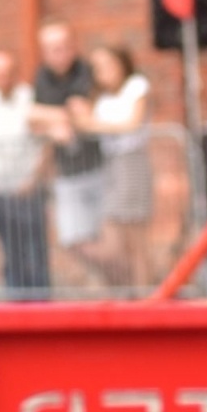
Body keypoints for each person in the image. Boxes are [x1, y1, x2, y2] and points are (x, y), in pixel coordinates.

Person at [71, 45, 152, 289]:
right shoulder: (102, 98)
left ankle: (145, 294)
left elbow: (132, 124)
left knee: (135, 237)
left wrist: (92, 124)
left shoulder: (136, 86)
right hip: (112, 164)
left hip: (131, 161)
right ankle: (128, 291)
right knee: (116, 238)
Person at [0, 51, 51, 297]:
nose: (3, 79)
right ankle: (15, 300)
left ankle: (41, 302)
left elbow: (46, 141)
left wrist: (34, 178)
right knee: (10, 251)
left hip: (29, 188)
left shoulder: (29, 98)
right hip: (1, 188)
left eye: (7, 73)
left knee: (35, 250)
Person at [29, 19, 105, 265]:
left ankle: (123, 289)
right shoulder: (42, 77)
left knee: (106, 238)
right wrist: (58, 121)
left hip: (98, 167)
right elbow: (31, 117)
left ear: (73, 46)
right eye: (52, 48)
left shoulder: (86, 71)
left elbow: (83, 112)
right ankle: (115, 284)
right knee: (72, 240)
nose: (59, 54)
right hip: (66, 171)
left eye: (63, 46)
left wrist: (54, 117)